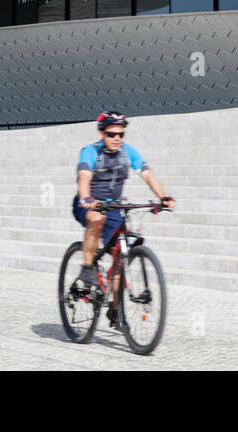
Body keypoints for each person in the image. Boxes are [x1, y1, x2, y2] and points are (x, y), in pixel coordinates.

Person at [72, 111, 174, 324]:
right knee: (96, 219)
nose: (117, 138)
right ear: (102, 134)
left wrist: (162, 197)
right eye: (111, 134)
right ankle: (88, 268)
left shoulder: (128, 153)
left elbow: (147, 174)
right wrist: (86, 197)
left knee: (120, 257)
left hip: (114, 207)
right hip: (89, 203)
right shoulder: (90, 152)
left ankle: (116, 311)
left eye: (120, 134)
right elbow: (83, 177)